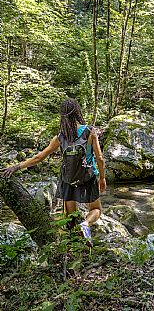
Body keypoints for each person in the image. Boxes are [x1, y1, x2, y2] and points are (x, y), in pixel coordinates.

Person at [1, 98, 106, 246]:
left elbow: (39, 157)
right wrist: (102, 178)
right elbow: (100, 158)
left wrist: (16, 167)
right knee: (95, 208)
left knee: (70, 217)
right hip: (87, 177)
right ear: (77, 112)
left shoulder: (61, 136)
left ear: (62, 115)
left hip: (68, 179)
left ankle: (72, 246)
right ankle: (86, 224)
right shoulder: (90, 132)